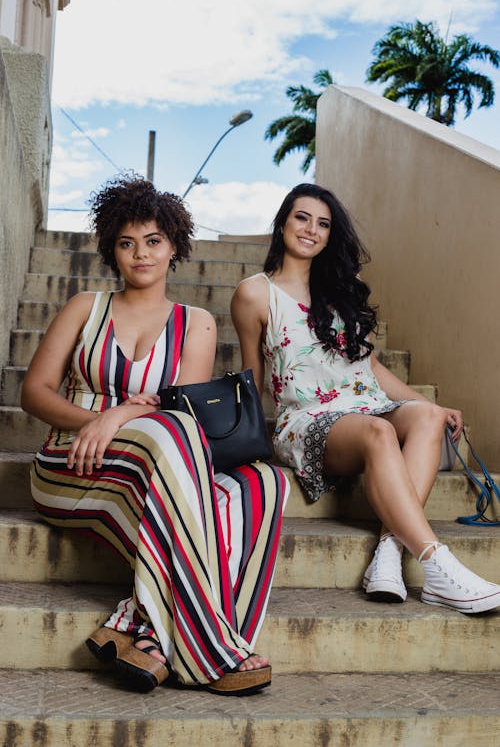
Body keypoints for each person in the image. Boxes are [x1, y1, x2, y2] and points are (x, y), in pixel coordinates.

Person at [21, 175, 289, 695]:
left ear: (173, 248)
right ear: (111, 250)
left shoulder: (196, 323)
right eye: (126, 243)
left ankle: (140, 632)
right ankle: (211, 650)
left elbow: (183, 428)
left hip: (149, 475)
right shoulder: (85, 306)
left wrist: (119, 415)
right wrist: (98, 420)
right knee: (167, 434)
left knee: (263, 483)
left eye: (153, 241)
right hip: (70, 464)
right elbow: (35, 391)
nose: (140, 254)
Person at [231, 182, 500, 615]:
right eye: (302, 218)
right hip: (307, 420)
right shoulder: (254, 294)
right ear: (282, 221)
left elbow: (369, 366)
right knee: (380, 432)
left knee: (426, 418)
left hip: (366, 405)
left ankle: (389, 555)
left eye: (323, 224)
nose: (311, 230)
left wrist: (426, 405)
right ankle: (438, 566)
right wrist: (248, 445)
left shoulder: (342, 288)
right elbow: (251, 379)